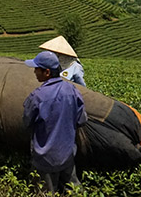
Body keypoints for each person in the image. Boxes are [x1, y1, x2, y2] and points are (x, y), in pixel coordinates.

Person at [23, 51, 88, 195]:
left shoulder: (37, 96)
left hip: (45, 158)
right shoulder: (72, 90)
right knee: (74, 191)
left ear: (47, 72)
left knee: (44, 192)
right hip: (67, 154)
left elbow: (27, 122)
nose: (34, 72)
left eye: (36, 69)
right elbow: (82, 119)